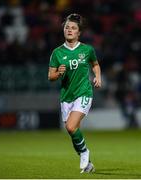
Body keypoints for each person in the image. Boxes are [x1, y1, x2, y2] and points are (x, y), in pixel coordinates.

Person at [48, 13, 101, 173]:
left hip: (84, 92)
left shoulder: (87, 49)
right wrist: (59, 73)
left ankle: (85, 153)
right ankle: (88, 164)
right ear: (63, 30)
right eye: (67, 27)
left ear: (79, 32)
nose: (69, 30)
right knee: (72, 131)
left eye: (73, 28)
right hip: (66, 97)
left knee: (71, 127)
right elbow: (51, 77)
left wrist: (98, 76)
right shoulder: (57, 53)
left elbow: (95, 64)